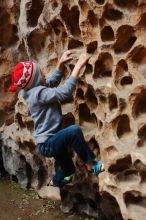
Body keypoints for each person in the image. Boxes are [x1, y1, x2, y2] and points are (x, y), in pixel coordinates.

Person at [9, 50, 104, 187]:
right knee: (73, 131)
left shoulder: (31, 90)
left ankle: (56, 182)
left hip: (51, 141)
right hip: (49, 143)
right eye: (40, 72)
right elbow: (64, 92)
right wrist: (78, 66)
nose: (43, 73)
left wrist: (60, 64)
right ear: (35, 81)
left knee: (69, 169)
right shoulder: (38, 94)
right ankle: (92, 165)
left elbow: (51, 82)